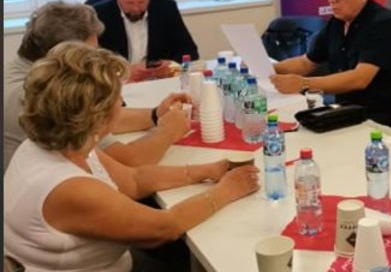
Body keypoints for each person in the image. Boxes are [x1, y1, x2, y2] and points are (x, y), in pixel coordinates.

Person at [3, 42, 259, 272]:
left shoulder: (57, 144)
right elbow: (164, 228)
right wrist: (226, 191)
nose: (122, 102)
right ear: (97, 115)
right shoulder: (69, 187)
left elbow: (133, 180)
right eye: (118, 97)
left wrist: (208, 171)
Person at [4, 1, 191, 172]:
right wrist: (167, 131)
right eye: (90, 54)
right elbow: (129, 163)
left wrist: (156, 114)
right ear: (65, 54)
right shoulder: (38, 95)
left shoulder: (23, 72)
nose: (95, 60)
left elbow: (97, 118)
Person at [270, 0, 391, 131]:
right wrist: (269, 69)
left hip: (380, 117)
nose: (332, 0)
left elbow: (360, 78)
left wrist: (303, 84)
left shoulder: (384, 24)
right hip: (345, 112)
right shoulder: (337, 23)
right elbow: (306, 62)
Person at [89, 0, 199, 82]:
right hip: (119, 84)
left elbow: (190, 51)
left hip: (157, 81)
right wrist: (122, 72)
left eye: (142, 2)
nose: (136, 8)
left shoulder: (166, 8)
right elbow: (88, 62)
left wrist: (172, 65)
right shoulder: (97, 14)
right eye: (129, 3)